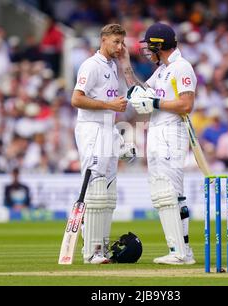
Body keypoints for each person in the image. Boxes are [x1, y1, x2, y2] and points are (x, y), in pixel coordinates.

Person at [119, 23, 196, 265]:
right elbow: (142, 92)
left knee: (168, 194)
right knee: (171, 195)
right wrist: (125, 65)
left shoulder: (182, 68)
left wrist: (154, 104)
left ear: (160, 45)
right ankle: (183, 251)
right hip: (158, 131)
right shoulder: (163, 69)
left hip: (172, 133)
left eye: (149, 46)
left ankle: (179, 252)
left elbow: (185, 105)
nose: (147, 50)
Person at [71, 24, 135, 264]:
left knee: (108, 193)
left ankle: (101, 247)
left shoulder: (112, 66)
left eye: (122, 43)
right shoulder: (91, 65)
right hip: (91, 130)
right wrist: (110, 106)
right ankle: (90, 252)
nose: (119, 47)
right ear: (103, 40)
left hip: (107, 130)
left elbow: (116, 101)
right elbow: (76, 99)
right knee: (96, 188)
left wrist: (120, 140)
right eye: (115, 42)